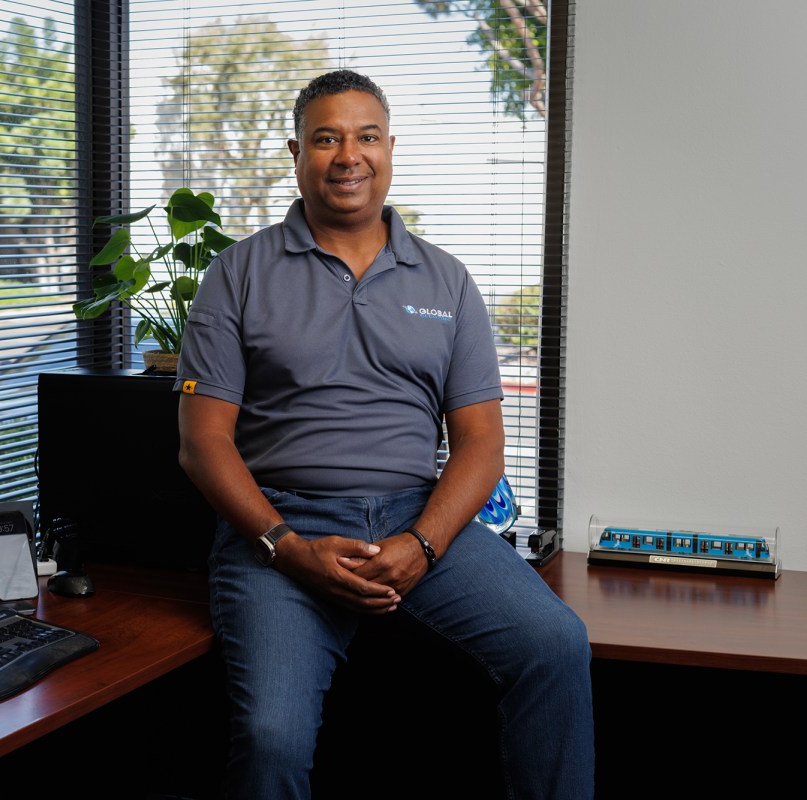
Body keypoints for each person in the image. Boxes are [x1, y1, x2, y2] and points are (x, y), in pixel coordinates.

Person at [175, 69, 594, 799]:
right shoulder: (235, 274)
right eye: (326, 138)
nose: (348, 155)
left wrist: (422, 544)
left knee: (554, 644)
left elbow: (480, 443)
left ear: (389, 148)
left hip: (416, 516)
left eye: (365, 136)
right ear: (295, 153)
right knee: (270, 737)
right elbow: (202, 441)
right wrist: (286, 546)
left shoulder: (445, 280)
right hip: (280, 527)